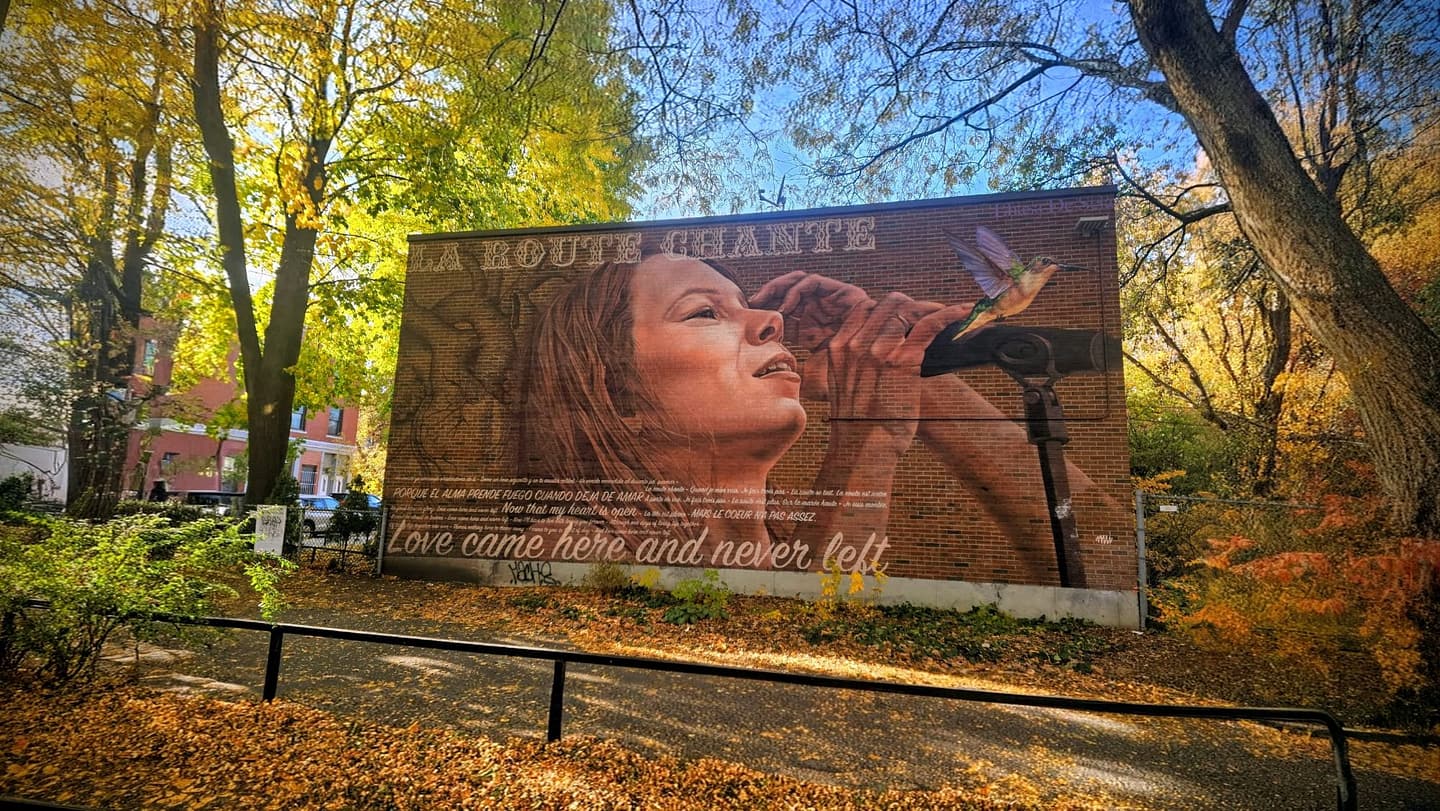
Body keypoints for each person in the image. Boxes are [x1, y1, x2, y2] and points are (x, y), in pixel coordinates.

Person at [516, 250, 1116, 578]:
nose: (770, 322)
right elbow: (797, 653)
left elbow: (1108, 563)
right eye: (704, 313)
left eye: (751, 307)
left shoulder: (782, 553)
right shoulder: (567, 549)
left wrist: (910, 364)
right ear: (617, 396)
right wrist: (866, 436)